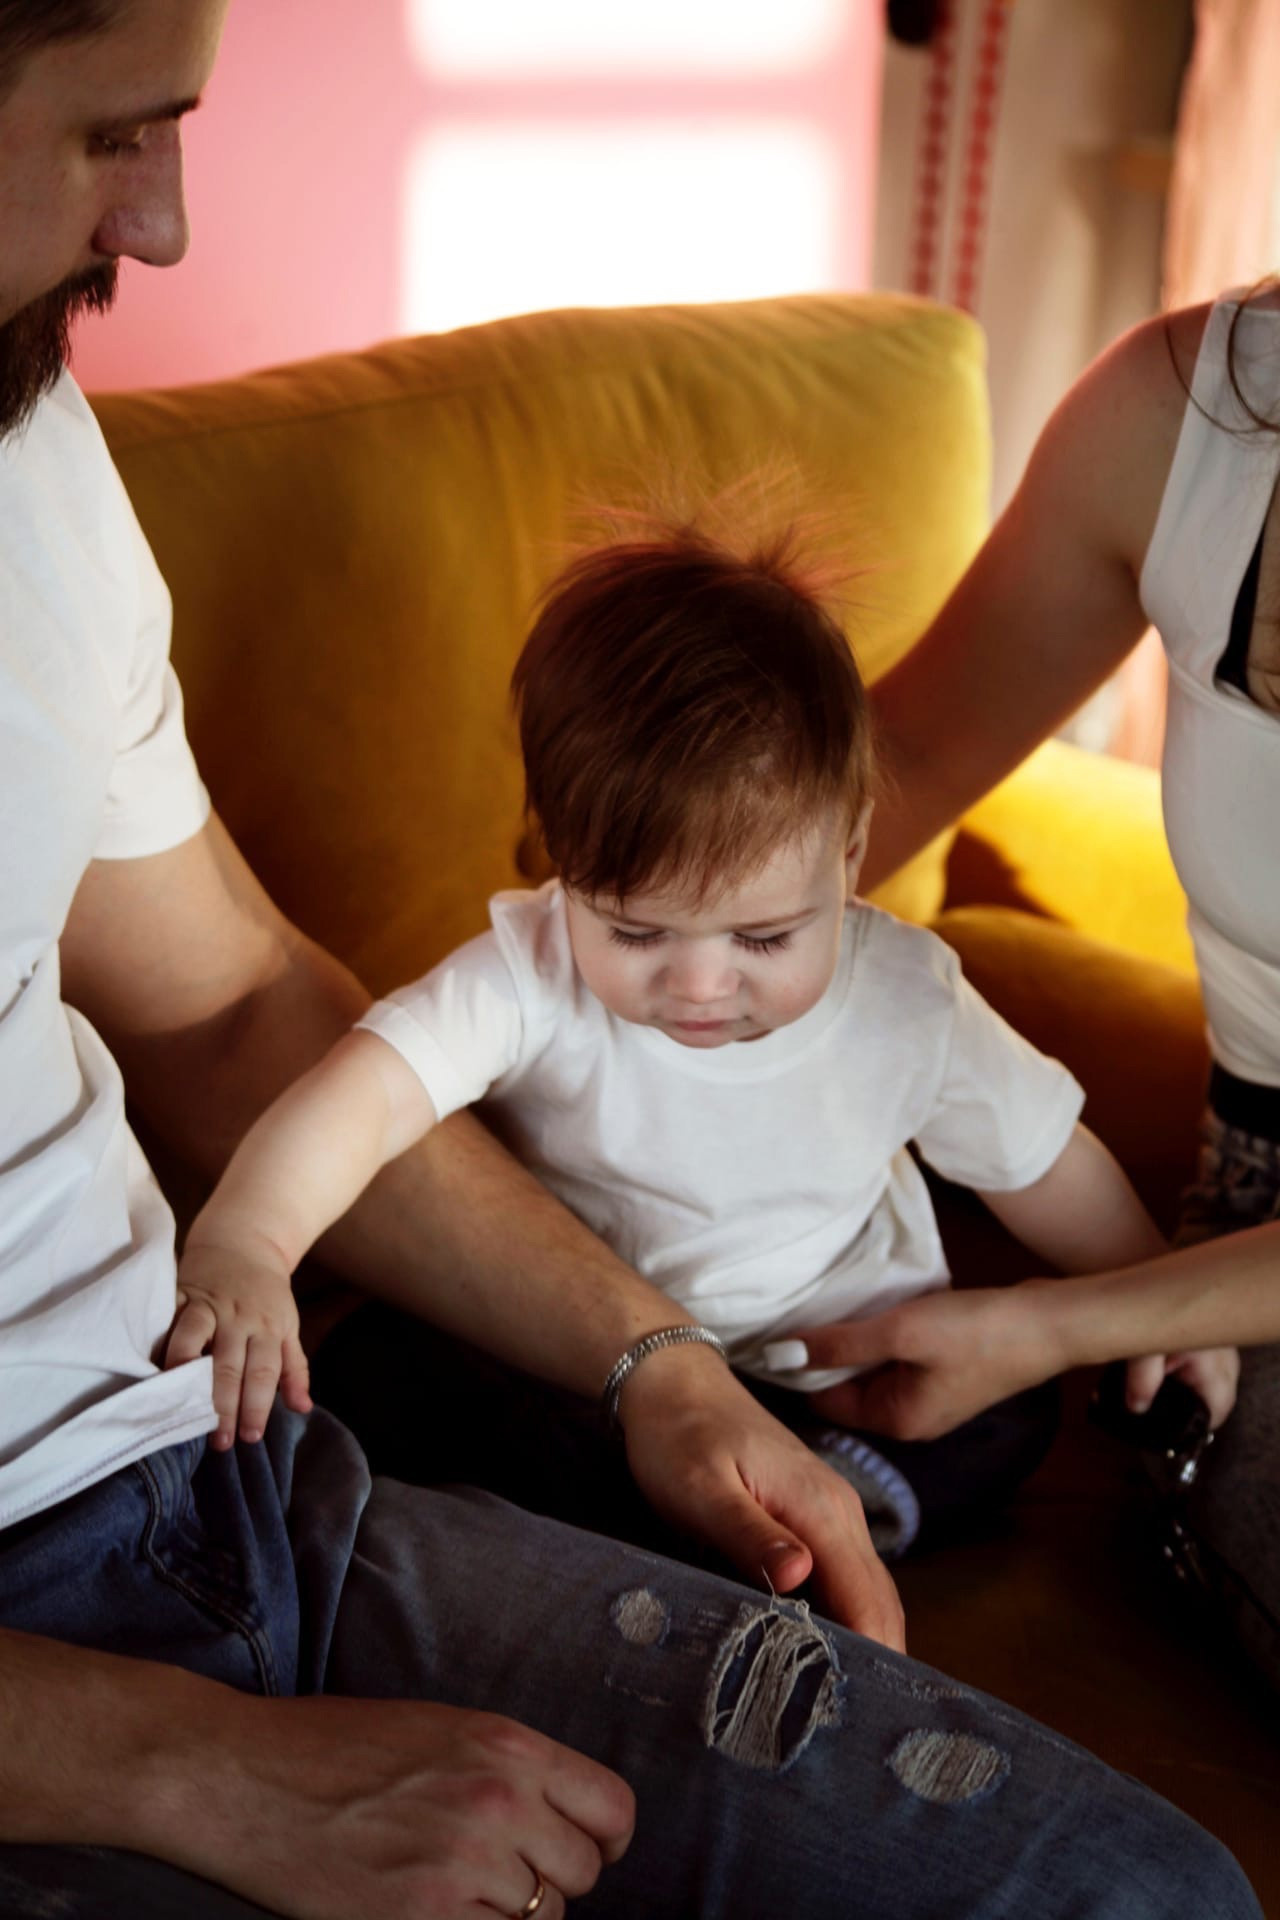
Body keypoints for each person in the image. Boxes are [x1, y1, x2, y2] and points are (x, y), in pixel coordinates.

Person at [0, 3, 1263, 1913]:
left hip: (236, 1467)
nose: (170, 221)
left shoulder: (32, 453)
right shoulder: (528, 960)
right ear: (556, 873)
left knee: (1141, 1894)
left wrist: (668, 1371)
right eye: (114, 133)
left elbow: (248, 1009)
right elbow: (389, 1058)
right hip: (94, 1643)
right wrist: (194, 1765)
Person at [169, 518, 1236, 1565]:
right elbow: (364, 1094)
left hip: (834, 1361)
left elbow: (1043, 1163)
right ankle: (647, 1530)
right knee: (389, 1365)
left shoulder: (906, 1003)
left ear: (849, 852)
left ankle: (825, 1509)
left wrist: (1146, 1290)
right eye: (634, 930)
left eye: (763, 936)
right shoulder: (529, 969)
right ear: (561, 853)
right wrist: (247, 1245)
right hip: (594, 1361)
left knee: (1006, 1420)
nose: (699, 986)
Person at [797, 281, 1280, 1688]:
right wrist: (618, 954)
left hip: (1183, 1302)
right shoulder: (1186, 413)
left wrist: (1056, 1324)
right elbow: (912, 755)